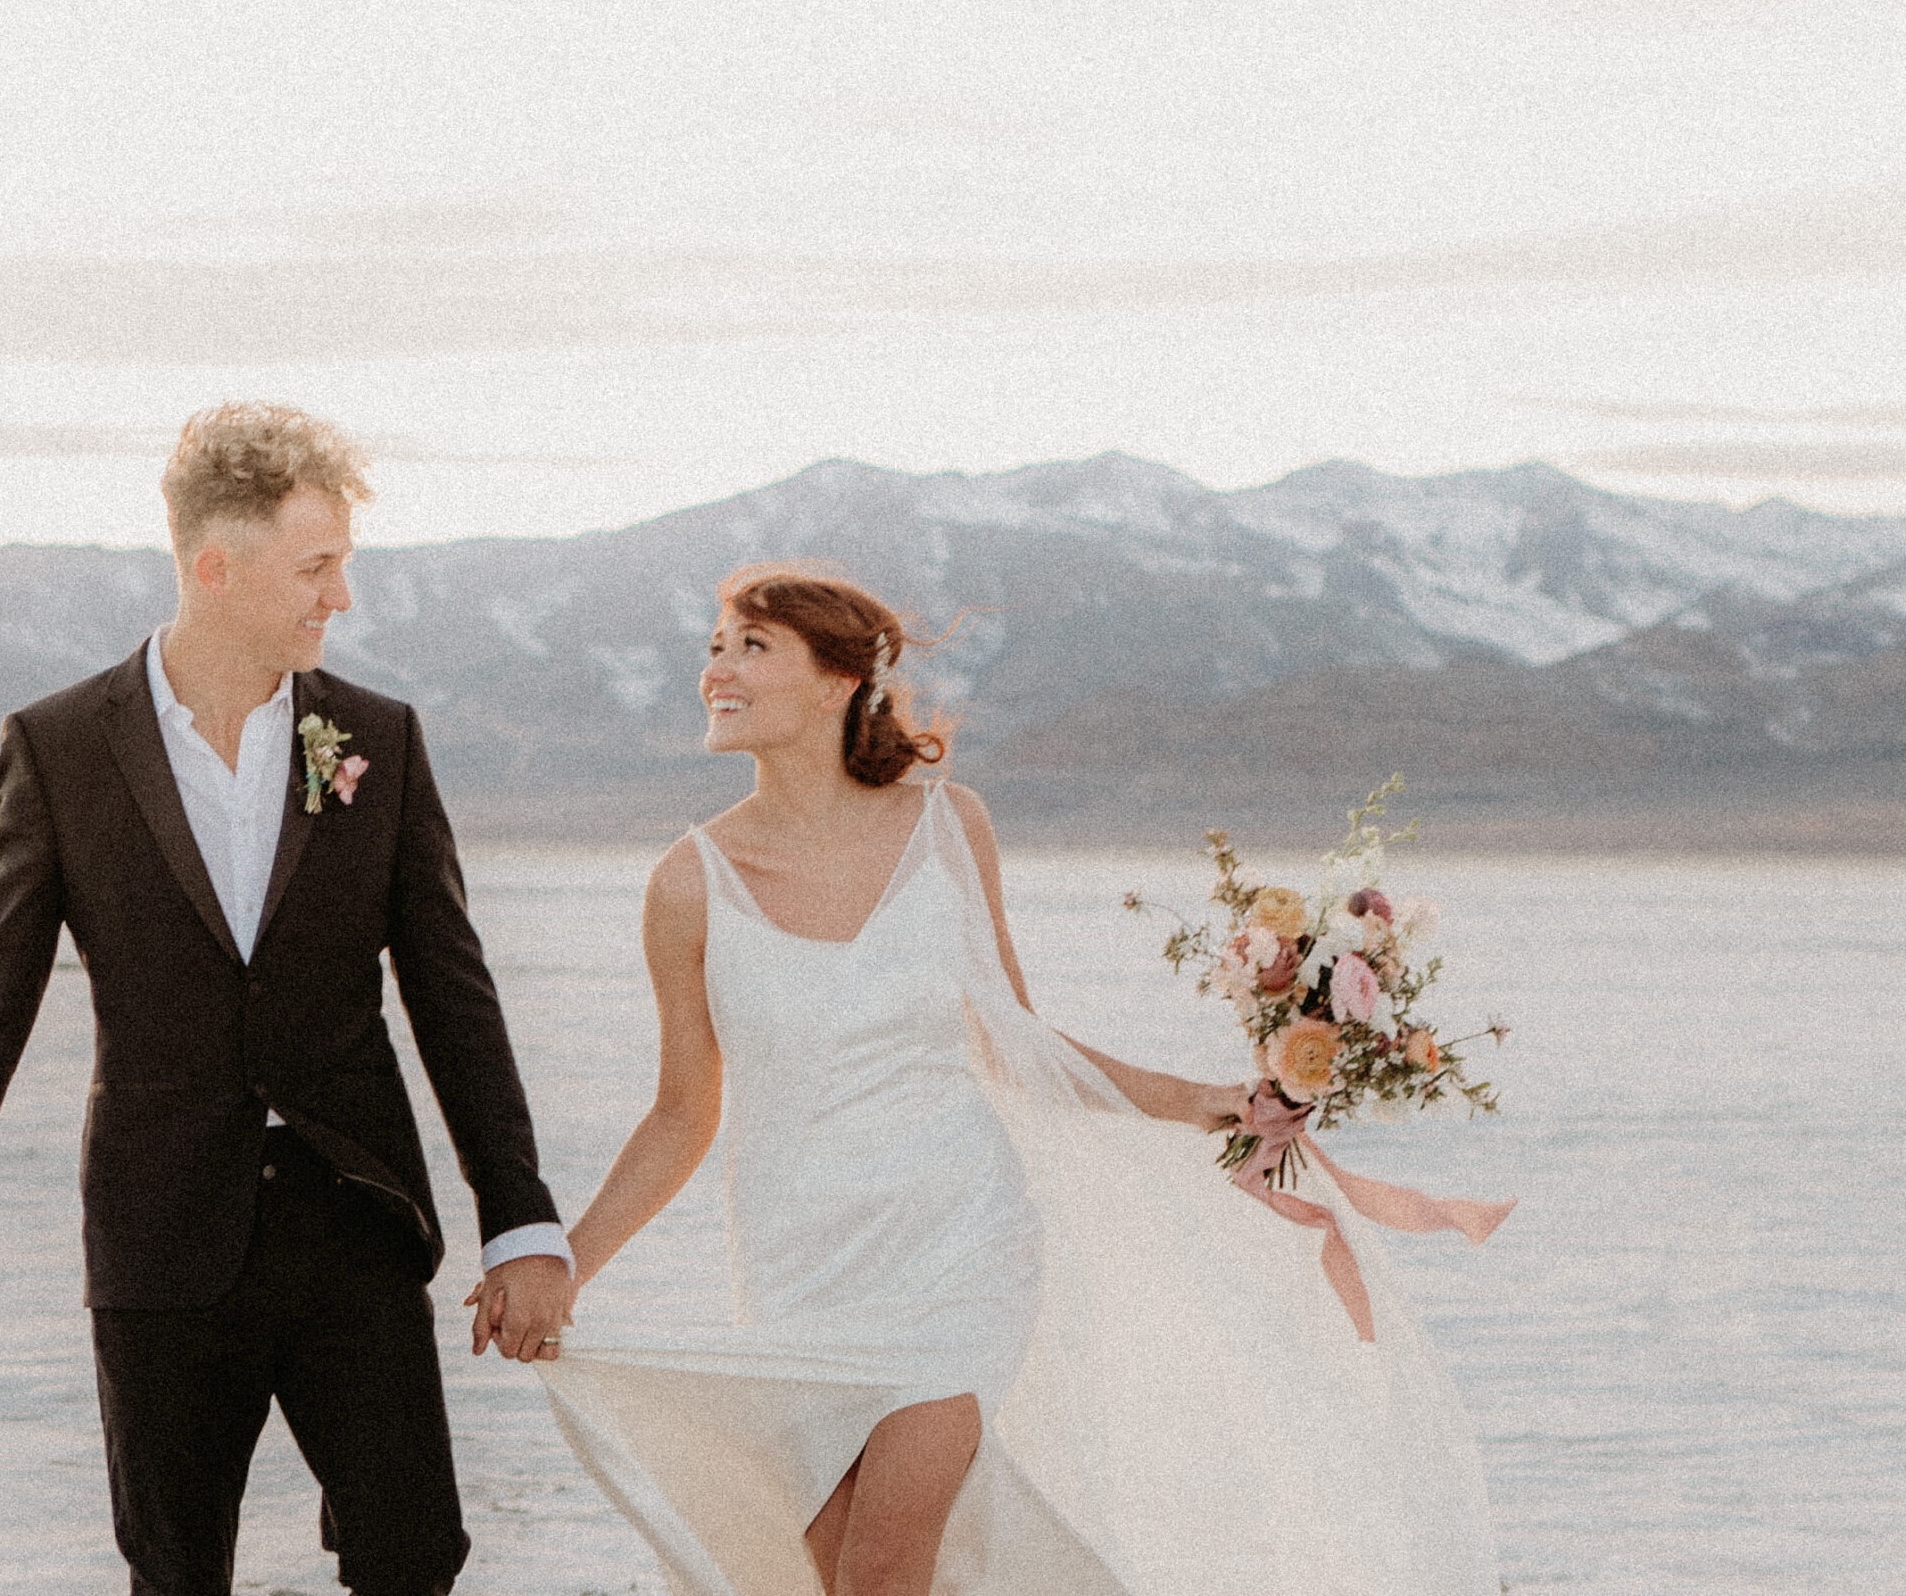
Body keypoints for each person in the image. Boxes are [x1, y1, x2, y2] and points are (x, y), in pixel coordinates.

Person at [537, 567, 1502, 1596]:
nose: (713, 670)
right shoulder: (688, 881)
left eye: (749, 646)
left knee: (879, 1569)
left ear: (836, 683)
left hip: (957, 1243)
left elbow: (1013, 1038)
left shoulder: (948, 828)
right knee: (823, 1576)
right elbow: (684, 1111)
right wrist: (566, 1263)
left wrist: (1202, 1098)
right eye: (716, 644)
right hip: (796, 1266)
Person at [0, 404, 576, 1596]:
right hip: (160, 1233)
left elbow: (454, 995)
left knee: (413, 1556)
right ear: (215, 567)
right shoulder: (60, 746)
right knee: (177, 1573)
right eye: (316, 566)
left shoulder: (377, 741)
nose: (339, 597)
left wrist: (524, 1223)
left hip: (354, 1214)